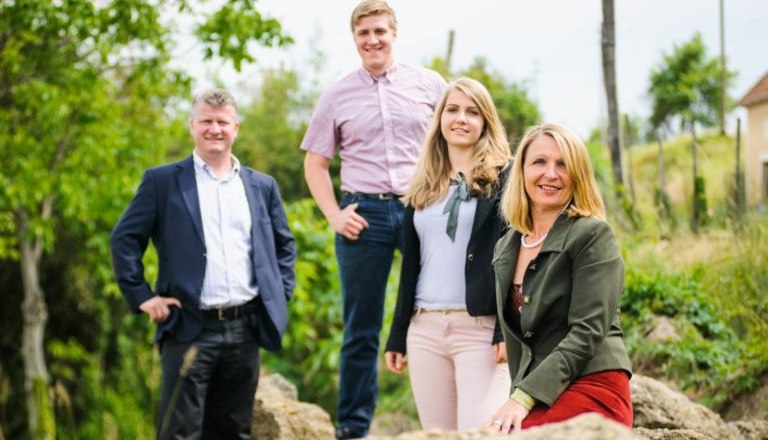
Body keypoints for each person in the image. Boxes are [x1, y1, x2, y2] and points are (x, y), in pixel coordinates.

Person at [110, 89, 296, 439]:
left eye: (222, 121)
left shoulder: (261, 186)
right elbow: (123, 239)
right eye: (206, 121)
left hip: (245, 328)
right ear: (192, 126)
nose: (215, 129)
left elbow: (284, 245)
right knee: (180, 432)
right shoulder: (162, 182)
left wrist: (279, 292)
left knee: (234, 432)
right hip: (188, 327)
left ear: (236, 128)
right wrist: (141, 295)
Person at [300, 1, 446, 438]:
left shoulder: (429, 85)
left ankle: (443, 423)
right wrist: (332, 214)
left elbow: (460, 137)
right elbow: (315, 162)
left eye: (380, 31)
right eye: (364, 33)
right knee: (361, 327)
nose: (373, 40)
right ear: (355, 39)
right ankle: (354, 429)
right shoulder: (337, 95)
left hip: (422, 208)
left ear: (394, 33)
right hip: (362, 215)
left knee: (438, 310)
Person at [383, 77, 512, 431]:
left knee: (480, 433)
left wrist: (505, 329)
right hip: (424, 329)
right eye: (452, 109)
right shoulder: (423, 184)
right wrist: (397, 335)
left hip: (480, 330)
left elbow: (514, 261)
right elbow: (410, 266)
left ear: (486, 121)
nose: (461, 118)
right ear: (440, 118)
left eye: (472, 112)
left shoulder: (505, 179)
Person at [487, 123, 633, 434]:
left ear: (577, 174)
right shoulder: (506, 246)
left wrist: (523, 399)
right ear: (522, 171)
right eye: (539, 162)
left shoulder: (592, 234)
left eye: (563, 164)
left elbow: (588, 332)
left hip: (593, 384)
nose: (551, 174)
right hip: (541, 392)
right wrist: (518, 399)